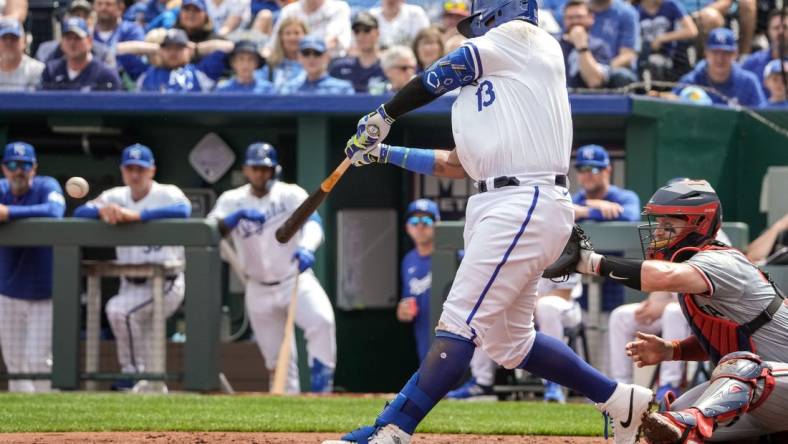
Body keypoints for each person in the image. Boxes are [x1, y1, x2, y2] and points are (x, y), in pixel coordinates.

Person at [324, 0, 654, 441]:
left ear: (497, 13)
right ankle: (620, 400)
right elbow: (459, 164)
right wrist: (385, 153)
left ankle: (391, 430)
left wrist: (386, 114)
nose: (474, 29)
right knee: (509, 343)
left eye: (478, 21)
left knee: (458, 322)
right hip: (498, 202)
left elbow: (442, 72)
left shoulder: (526, 39)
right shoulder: (498, 86)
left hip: (523, 200)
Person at [572, 179, 788, 443]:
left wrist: (590, 262)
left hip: (769, 380)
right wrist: (672, 350)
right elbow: (730, 335)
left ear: (699, 224)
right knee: (670, 418)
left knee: (738, 371)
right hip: (769, 393)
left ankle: (690, 423)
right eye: (659, 225)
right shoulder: (697, 269)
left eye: (668, 225)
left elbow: (660, 278)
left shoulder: (721, 260)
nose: (658, 233)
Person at [207, 142, 336, 393]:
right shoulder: (231, 200)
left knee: (322, 322)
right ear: (246, 169)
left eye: (265, 169)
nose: (259, 174)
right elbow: (210, 231)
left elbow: (313, 223)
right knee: (277, 361)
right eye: (255, 168)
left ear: (274, 169)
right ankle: (289, 417)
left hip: (294, 279)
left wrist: (308, 247)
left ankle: (323, 389)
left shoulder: (289, 194)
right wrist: (232, 219)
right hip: (257, 287)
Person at [73, 144, 191, 388]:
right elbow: (79, 213)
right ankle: (153, 388)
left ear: (152, 171)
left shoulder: (166, 193)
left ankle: (132, 373)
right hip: (130, 283)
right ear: (123, 171)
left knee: (119, 311)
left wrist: (136, 216)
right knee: (143, 337)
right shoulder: (115, 196)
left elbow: (184, 210)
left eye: (141, 169)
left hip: (166, 283)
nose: (135, 174)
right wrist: (102, 211)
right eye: (130, 169)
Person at [0, 142, 65, 393]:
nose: (19, 170)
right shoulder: (1, 188)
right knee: (15, 363)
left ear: (34, 168)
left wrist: (9, 213)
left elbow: (55, 210)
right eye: (13, 165)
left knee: (39, 361)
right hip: (8, 291)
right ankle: (26, 430)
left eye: (25, 164)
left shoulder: (46, 185)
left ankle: (50, 424)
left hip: (44, 292)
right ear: (4, 168)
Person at [673, 27, 765, 107]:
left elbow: (761, 116)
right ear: (706, 53)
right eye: (715, 52)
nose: (720, 59)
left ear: (735, 54)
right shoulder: (691, 81)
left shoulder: (748, 83)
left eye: (726, 53)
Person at [396, 199, 440, 363]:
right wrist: (403, 311)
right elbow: (408, 300)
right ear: (408, 227)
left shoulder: (454, 255)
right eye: (414, 221)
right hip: (425, 338)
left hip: (454, 335)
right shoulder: (408, 260)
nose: (420, 226)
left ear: (437, 224)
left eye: (426, 220)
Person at [39, 17, 122, 91]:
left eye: (77, 38)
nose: (72, 43)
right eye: (68, 38)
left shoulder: (104, 74)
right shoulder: (51, 71)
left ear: (89, 41)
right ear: (61, 42)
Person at [572, 145, 640, 223]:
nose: (587, 175)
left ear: (608, 171)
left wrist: (585, 212)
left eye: (594, 169)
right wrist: (593, 204)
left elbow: (630, 215)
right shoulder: (574, 200)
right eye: (582, 169)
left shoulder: (625, 197)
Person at [636, 0, 697, 81]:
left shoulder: (671, 5)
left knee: (655, 64)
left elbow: (692, 31)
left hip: (667, 55)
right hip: (642, 55)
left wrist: (662, 38)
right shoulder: (635, 10)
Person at [137, 28, 214, 92]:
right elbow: (124, 52)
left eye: (178, 48)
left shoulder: (200, 72)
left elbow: (224, 47)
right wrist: (154, 48)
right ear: (160, 50)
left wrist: (196, 48)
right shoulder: (145, 73)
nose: (172, 52)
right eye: (168, 48)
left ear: (188, 50)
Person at [267, 0, 351, 57]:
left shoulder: (338, 8)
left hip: (329, 62)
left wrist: (309, 55)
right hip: (292, 63)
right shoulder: (289, 10)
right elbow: (274, 44)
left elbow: (331, 41)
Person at [559, 0, 612, 89]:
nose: (575, 21)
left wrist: (582, 47)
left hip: (587, 99)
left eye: (579, 17)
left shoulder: (599, 47)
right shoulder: (554, 44)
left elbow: (595, 82)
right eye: (570, 17)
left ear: (591, 18)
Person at [328, 12, 386, 94]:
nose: (361, 36)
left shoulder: (390, 67)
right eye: (357, 31)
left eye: (367, 30)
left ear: (377, 33)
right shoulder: (339, 67)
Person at [588, 0, 641, 87]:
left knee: (620, 76)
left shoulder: (626, 13)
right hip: (583, 64)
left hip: (614, 69)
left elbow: (628, 55)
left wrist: (603, 71)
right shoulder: (578, 11)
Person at [93, 0, 148, 81]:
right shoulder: (87, 33)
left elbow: (142, 56)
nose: (103, 8)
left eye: (108, 4)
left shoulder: (131, 30)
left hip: (126, 87)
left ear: (120, 8)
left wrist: (117, 49)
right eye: (99, 4)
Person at [278, 36, 354, 95]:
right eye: (306, 53)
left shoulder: (343, 89)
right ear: (299, 57)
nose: (311, 58)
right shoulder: (289, 89)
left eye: (317, 53)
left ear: (326, 57)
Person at [742, 9, 788, 97]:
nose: (781, 32)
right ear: (768, 31)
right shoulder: (753, 62)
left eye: (785, 27)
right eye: (776, 28)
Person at [256, 16, 306, 89]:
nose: (292, 37)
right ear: (281, 37)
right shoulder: (271, 64)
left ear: (305, 35)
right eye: (288, 33)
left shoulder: (313, 64)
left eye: (297, 33)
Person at [0, 19, 44, 91]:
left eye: (13, 38)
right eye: (4, 38)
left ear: (24, 41)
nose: (9, 43)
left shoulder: (37, 69)